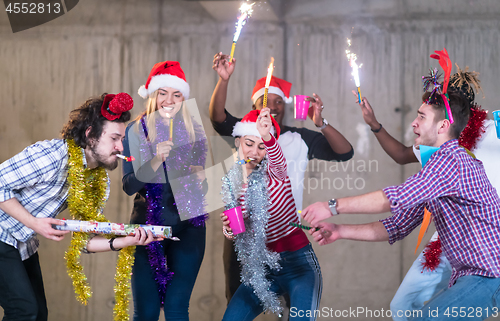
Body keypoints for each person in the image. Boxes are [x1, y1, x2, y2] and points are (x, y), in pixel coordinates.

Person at [301, 88, 500, 320]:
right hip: (474, 275)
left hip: (490, 276)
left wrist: (331, 206)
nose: (414, 123)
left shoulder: (451, 160)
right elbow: (396, 225)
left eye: (422, 117)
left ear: (443, 126)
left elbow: (398, 196)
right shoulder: (437, 170)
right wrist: (340, 230)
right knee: (404, 308)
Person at [210, 52, 353, 303]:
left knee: (288, 298)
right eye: (266, 100)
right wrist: (223, 80)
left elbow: (345, 152)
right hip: (241, 227)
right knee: (237, 295)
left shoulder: (300, 138)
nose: (273, 106)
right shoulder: (245, 131)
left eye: (278, 101)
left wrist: (321, 123)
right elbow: (217, 117)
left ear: (285, 106)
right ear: (254, 107)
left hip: (284, 229)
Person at [0, 93, 155, 321]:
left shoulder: (97, 181)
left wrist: (128, 240)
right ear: (90, 135)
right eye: (114, 138)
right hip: (2, 234)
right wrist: (35, 224)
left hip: (22, 244)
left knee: (38, 314)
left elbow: (85, 242)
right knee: (24, 311)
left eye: (122, 139)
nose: (120, 147)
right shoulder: (52, 156)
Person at [355, 66, 489, 320]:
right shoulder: (436, 142)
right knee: (401, 306)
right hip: (448, 237)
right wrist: (374, 125)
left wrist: (334, 206)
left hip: (485, 242)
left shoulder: (491, 131)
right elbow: (401, 155)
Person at [122, 60, 208, 321]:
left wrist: (202, 179)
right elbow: (129, 186)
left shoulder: (194, 130)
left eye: (176, 94)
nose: (169, 100)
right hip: (146, 228)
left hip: (189, 227)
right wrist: (156, 160)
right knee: (146, 313)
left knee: (176, 309)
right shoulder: (135, 130)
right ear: (153, 95)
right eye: (163, 92)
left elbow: (201, 190)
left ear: (184, 97)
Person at [220, 108, 322, 321]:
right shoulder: (231, 183)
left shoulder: (275, 173)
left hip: (298, 264)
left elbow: (276, 158)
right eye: (249, 144)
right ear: (238, 142)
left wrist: (266, 136)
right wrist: (229, 230)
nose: (255, 153)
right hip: (260, 269)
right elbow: (240, 231)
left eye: (261, 147)